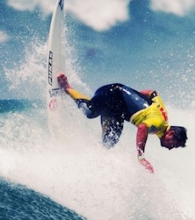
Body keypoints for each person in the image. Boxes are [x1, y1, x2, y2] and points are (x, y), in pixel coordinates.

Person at [57, 74, 187, 174]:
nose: (171, 148)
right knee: (90, 112)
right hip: (113, 93)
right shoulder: (158, 124)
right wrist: (141, 156)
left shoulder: (163, 117)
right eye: (174, 144)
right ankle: (67, 87)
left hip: (117, 111)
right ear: (171, 133)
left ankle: (83, 158)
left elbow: (153, 93)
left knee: (109, 142)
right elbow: (142, 127)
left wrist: (135, 95)